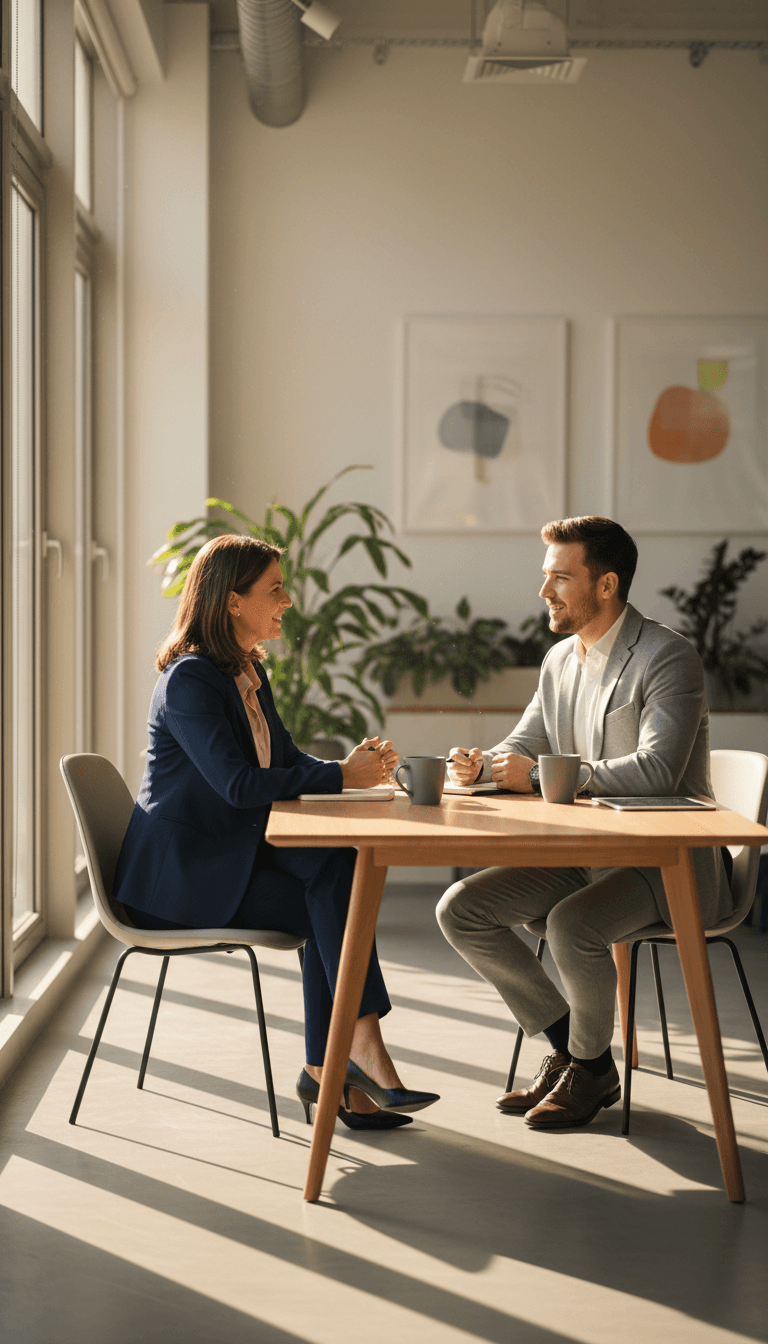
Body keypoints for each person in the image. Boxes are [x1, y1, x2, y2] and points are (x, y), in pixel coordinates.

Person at [114, 534, 439, 1130]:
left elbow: (283, 756)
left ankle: (332, 1067)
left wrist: (354, 773)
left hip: (226, 856)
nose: (287, 600)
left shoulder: (246, 673)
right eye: (275, 588)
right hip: (180, 885)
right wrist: (342, 776)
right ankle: (347, 1061)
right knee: (332, 898)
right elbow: (238, 784)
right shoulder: (191, 681)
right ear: (233, 601)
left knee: (335, 870)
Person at [436, 516, 733, 1130]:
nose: (545, 593)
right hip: (585, 855)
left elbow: (659, 771)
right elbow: (526, 741)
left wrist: (545, 777)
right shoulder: (558, 661)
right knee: (460, 908)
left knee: (573, 925)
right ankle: (582, 1055)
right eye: (545, 578)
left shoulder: (667, 656)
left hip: (668, 863)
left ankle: (587, 1065)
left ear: (606, 585)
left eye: (560, 579)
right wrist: (484, 764)